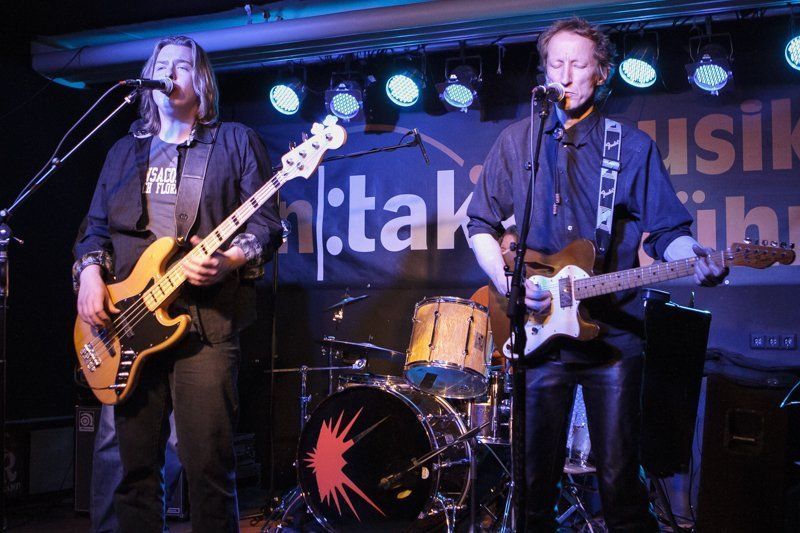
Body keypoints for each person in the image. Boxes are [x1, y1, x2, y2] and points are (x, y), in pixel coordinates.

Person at [467, 18, 728, 531]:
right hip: (537, 339)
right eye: (556, 64)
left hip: (613, 341)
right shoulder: (517, 142)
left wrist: (695, 255)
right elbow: (479, 224)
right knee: (531, 491)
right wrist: (507, 283)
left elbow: (667, 231)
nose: (565, 76)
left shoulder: (629, 147)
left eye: (578, 65)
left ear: (601, 73)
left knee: (619, 486)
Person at [73, 35, 283, 533]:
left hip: (205, 328)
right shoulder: (123, 152)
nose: (170, 74)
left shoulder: (235, 141)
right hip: (127, 325)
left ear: (201, 80)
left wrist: (229, 260)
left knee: (208, 468)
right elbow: (94, 229)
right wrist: (89, 275)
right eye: (162, 65)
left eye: (182, 66)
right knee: (133, 473)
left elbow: (267, 226)